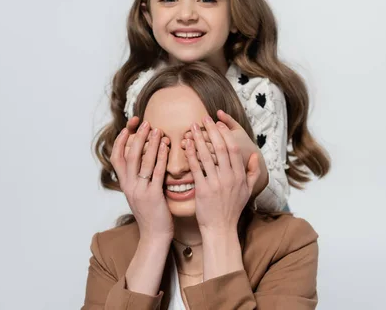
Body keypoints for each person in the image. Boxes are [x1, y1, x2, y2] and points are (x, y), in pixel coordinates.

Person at [94, 0, 330, 213]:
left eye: (207, 0)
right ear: (148, 16)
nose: (187, 14)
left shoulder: (257, 94)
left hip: (250, 235)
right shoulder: (141, 89)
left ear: (236, 14)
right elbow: (144, 190)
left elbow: (276, 203)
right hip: (177, 236)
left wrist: (249, 161)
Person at [83, 62, 319, 309]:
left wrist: (219, 230)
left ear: (233, 146)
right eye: (159, 145)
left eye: (195, 144)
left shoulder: (288, 244)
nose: (176, 167)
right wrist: (153, 238)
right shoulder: (108, 250)